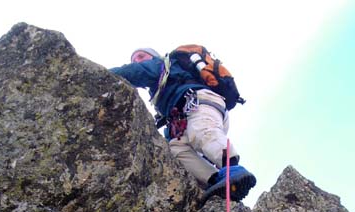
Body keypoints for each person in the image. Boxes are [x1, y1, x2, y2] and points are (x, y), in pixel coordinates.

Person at [110, 47, 256, 201]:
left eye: (140, 56)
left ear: (153, 56)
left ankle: (232, 168)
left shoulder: (161, 64)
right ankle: (214, 180)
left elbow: (134, 72)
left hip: (199, 103)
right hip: (187, 117)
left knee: (201, 131)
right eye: (133, 60)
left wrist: (102, 75)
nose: (137, 61)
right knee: (176, 150)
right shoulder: (161, 90)